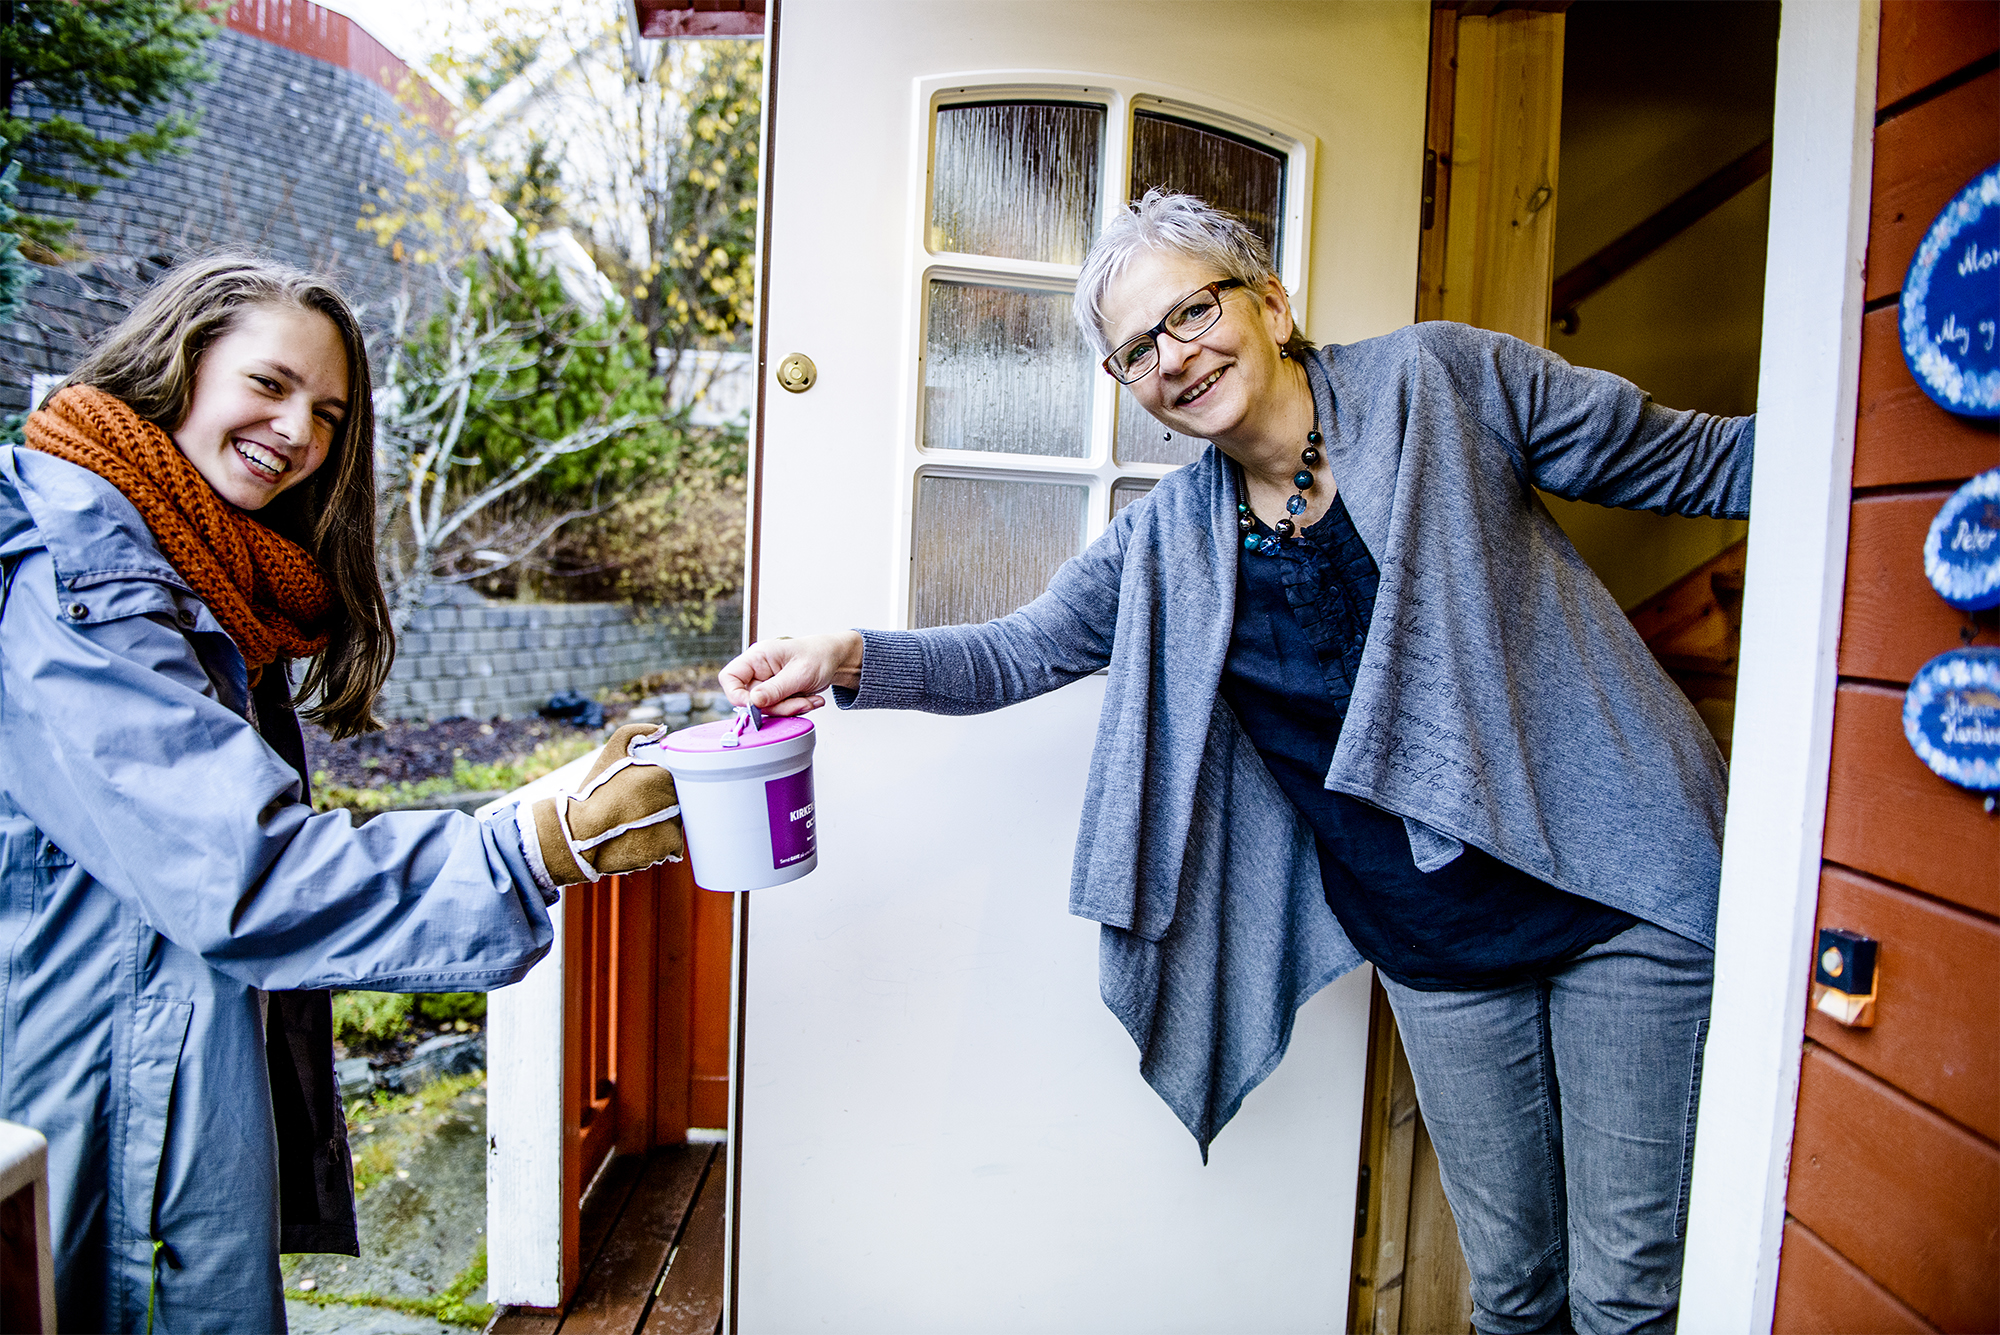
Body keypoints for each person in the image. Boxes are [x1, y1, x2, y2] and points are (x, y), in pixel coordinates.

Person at [721, 191, 1753, 1334]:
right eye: (1136, 350)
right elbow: (1021, 650)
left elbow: (1696, 463)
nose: (1174, 357)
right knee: (1511, 1297)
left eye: (1191, 312)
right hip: (1432, 944)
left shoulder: (1442, 383)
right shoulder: (1169, 541)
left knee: (1625, 1295)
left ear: (1268, 299)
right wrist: (849, 656)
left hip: (1615, 892)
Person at [0, 254, 684, 1332]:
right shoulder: (76, 578)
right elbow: (246, 872)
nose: (299, 435)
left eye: (326, 413)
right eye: (268, 384)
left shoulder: (189, 568)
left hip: (153, 1095)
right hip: (97, 1108)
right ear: (177, 365)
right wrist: (534, 840)